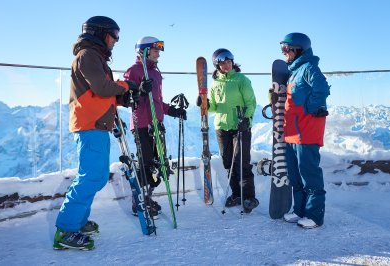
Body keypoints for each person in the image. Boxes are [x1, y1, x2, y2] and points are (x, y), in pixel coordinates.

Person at [54, 16, 139, 250]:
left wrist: (127, 95)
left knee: (95, 176)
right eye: (114, 35)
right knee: (91, 176)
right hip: (89, 125)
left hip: (96, 125)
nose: (116, 40)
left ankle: (77, 222)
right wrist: (125, 86)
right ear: (100, 33)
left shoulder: (95, 57)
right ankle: (66, 230)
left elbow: (103, 92)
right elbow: (102, 88)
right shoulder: (88, 55)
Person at [123, 36, 187, 217]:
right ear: (144, 51)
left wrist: (172, 110)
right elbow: (126, 99)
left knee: (160, 165)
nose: (159, 54)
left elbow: (157, 101)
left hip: (157, 124)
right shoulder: (133, 71)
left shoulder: (156, 73)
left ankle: (147, 196)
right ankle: (140, 202)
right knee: (147, 164)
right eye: (156, 50)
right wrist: (139, 90)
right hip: (142, 124)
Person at [280, 33, 330, 229]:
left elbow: (322, 90)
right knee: (295, 176)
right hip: (292, 132)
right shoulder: (295, 71)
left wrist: (310, 110)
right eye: (282, 48)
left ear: (298, 49)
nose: (284, 52)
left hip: (305, 132)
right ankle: (300, 210)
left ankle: (315, 216)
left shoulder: (309, 68)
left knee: (309, 175)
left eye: (286, 48)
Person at [199, 48, 259, 212]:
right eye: (223, 63)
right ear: (217, 65)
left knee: (241, 162)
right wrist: (204, 103)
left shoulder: (241, 80)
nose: (226, 65)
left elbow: (251, 102)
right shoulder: (215, 83)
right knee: (228, 163)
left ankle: (249, 198)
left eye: (229, 62)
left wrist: (246, 120)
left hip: (241, 126)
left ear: (232, 62)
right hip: (222, 127)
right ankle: (237, 194)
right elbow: (214, 107)